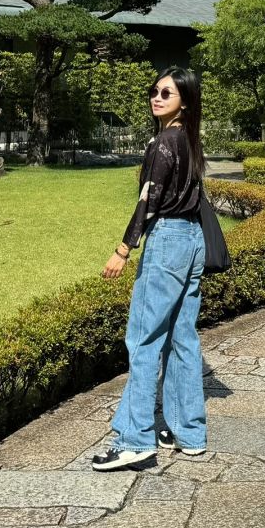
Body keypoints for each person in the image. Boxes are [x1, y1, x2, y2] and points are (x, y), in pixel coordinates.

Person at [91, 66, 209, 471]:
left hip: (169, 243)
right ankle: (188, 432)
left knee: (142, 341)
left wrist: (123, 250)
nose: (157, 98)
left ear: (184, 102)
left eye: (167, 94)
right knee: (182, 338)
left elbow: (148, 202)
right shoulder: (191, 142)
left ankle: (134, 439)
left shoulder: (163, 143)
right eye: (155, 91)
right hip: (193, 242)